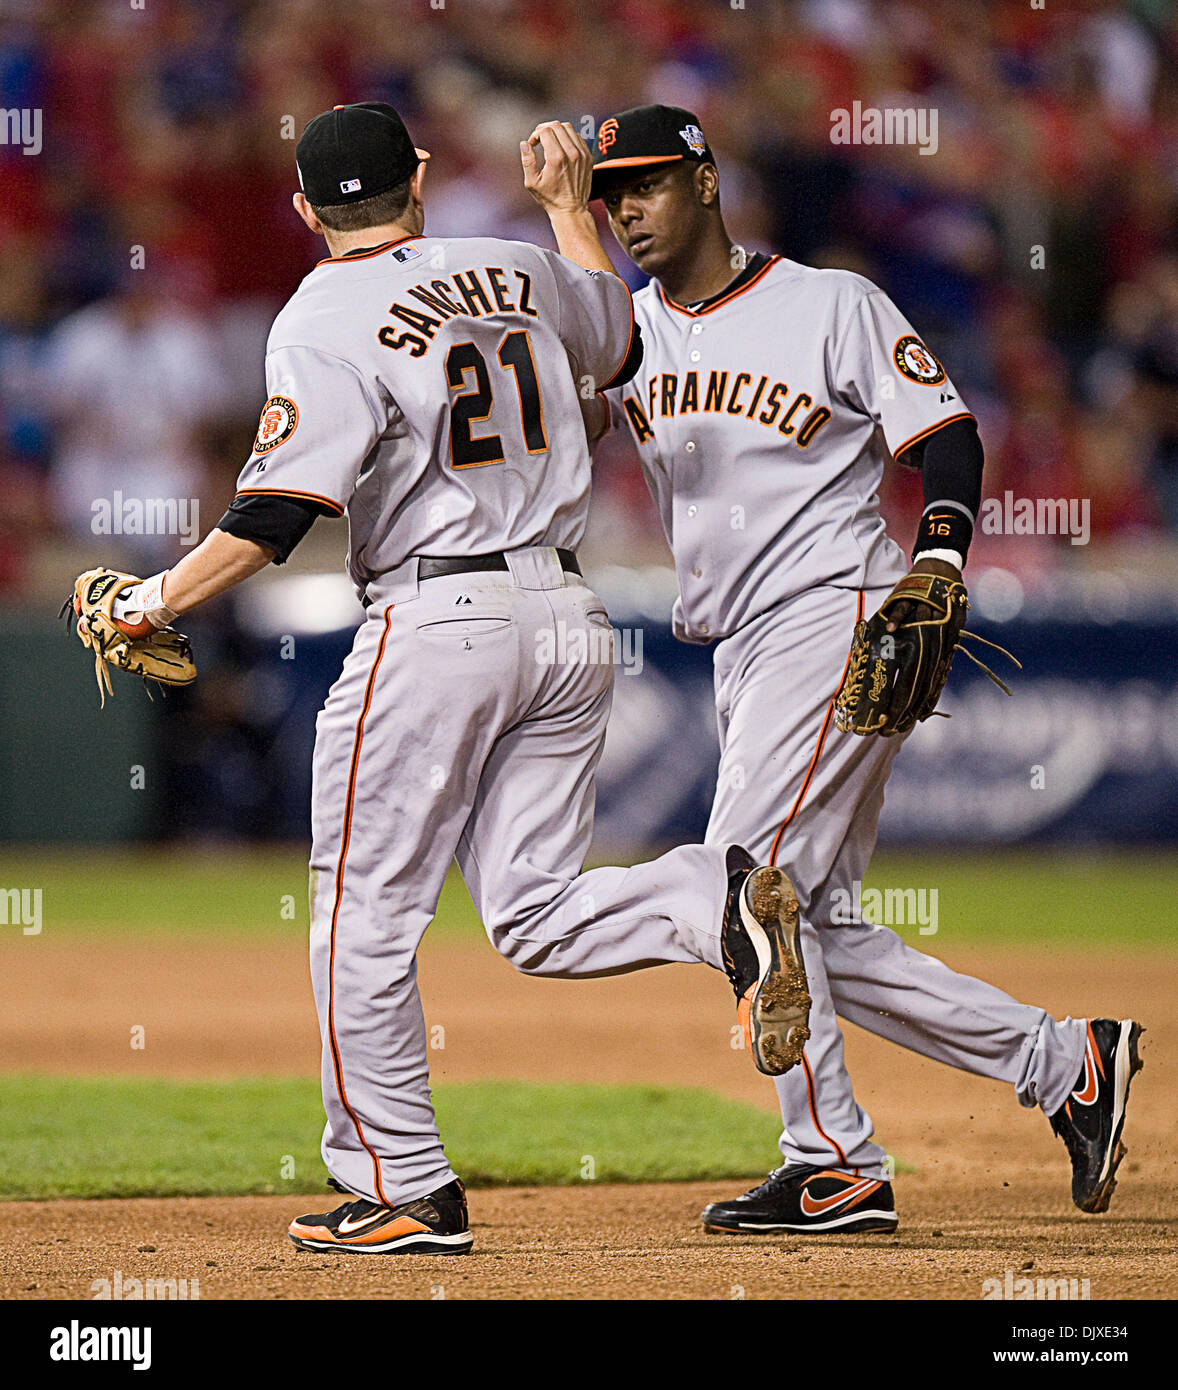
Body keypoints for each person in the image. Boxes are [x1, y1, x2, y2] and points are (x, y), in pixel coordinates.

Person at [90, 102, 813, 1255]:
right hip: (569, 620)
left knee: (357, 915)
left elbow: (278, 511)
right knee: (527, 911)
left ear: (303, 209)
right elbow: (624, 347)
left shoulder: (319, 312)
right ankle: (709, 901)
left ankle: (401, 1184)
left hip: (438, 615)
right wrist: (572, 213)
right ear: (418, 176)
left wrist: (153, 598)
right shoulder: (515, 260)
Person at [522, 104, 1143, 1233]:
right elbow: (589, 328)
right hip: (739, 645)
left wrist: (939, 554)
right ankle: (1067, 1064)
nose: (628, 211)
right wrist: (567, 216)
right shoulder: (636, 330)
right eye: (612, 197)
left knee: (743, 886)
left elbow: (944, 433)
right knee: (805, 925)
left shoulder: (827, 303)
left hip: (837, 614)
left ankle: (831, 1159)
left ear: (706, 182)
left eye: (648, 186)